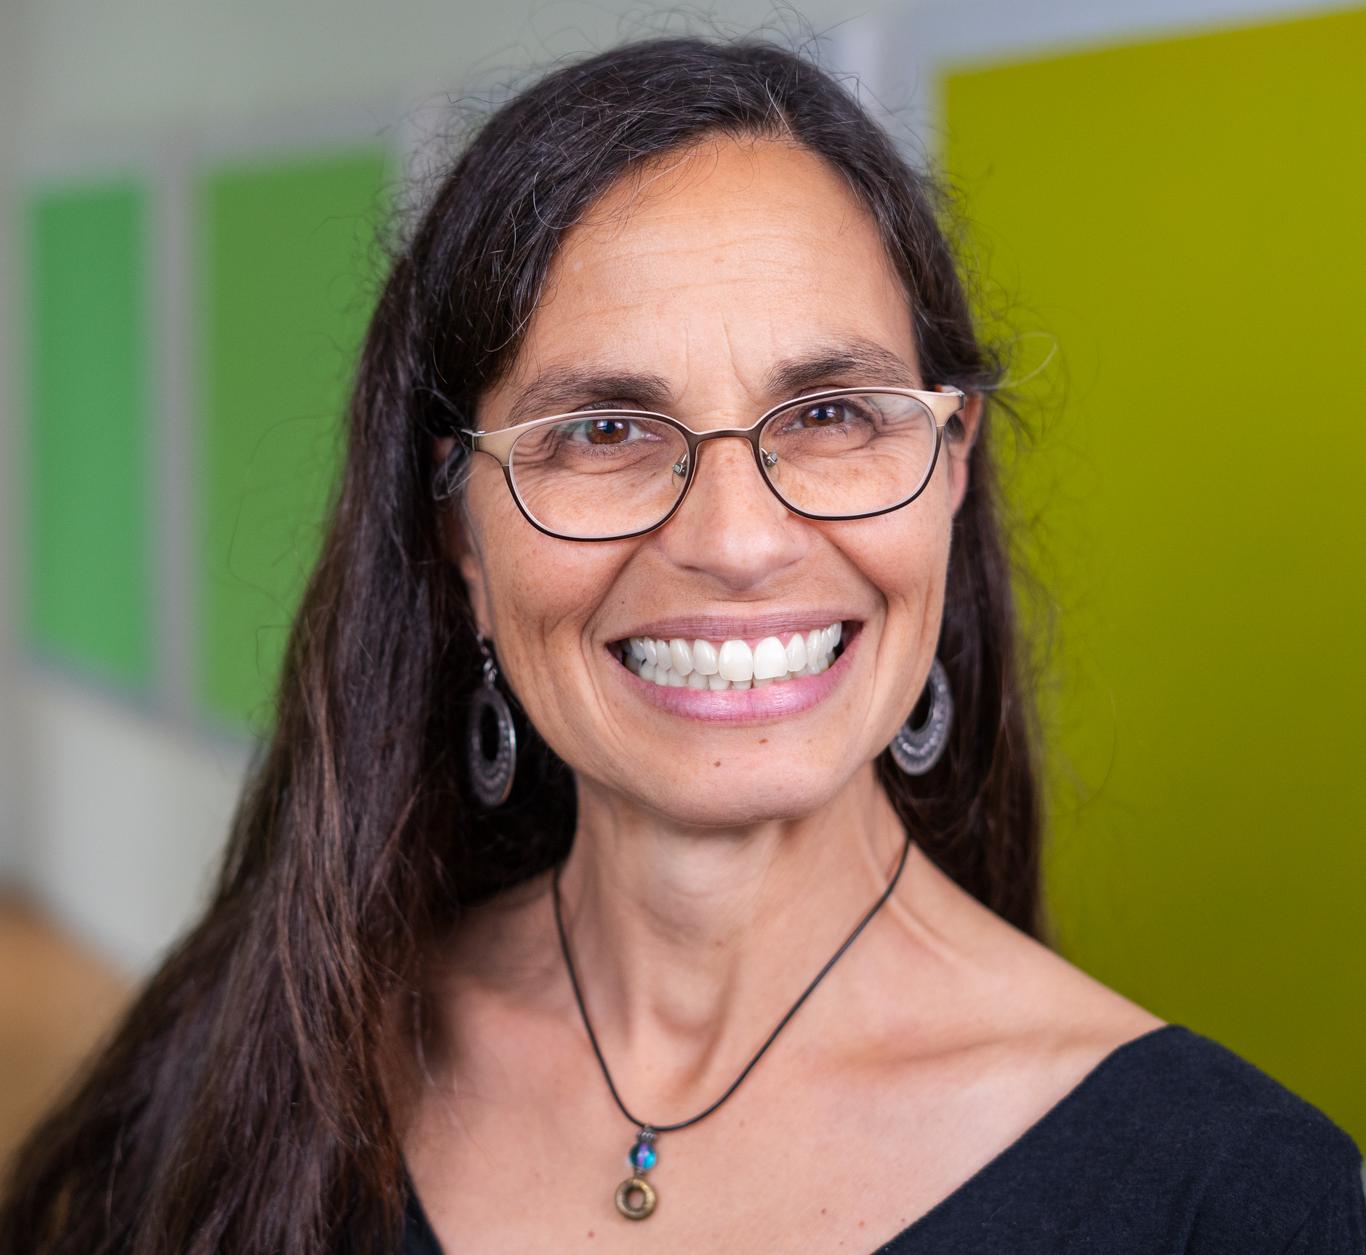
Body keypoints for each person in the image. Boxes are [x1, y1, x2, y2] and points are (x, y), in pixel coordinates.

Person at [2, 34, 1362, 1255]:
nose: (736, 539)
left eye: (829, 413)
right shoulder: (254, 1059)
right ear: (461, 532)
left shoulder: (1244, 1202)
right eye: (603, 429)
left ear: (950, 469)